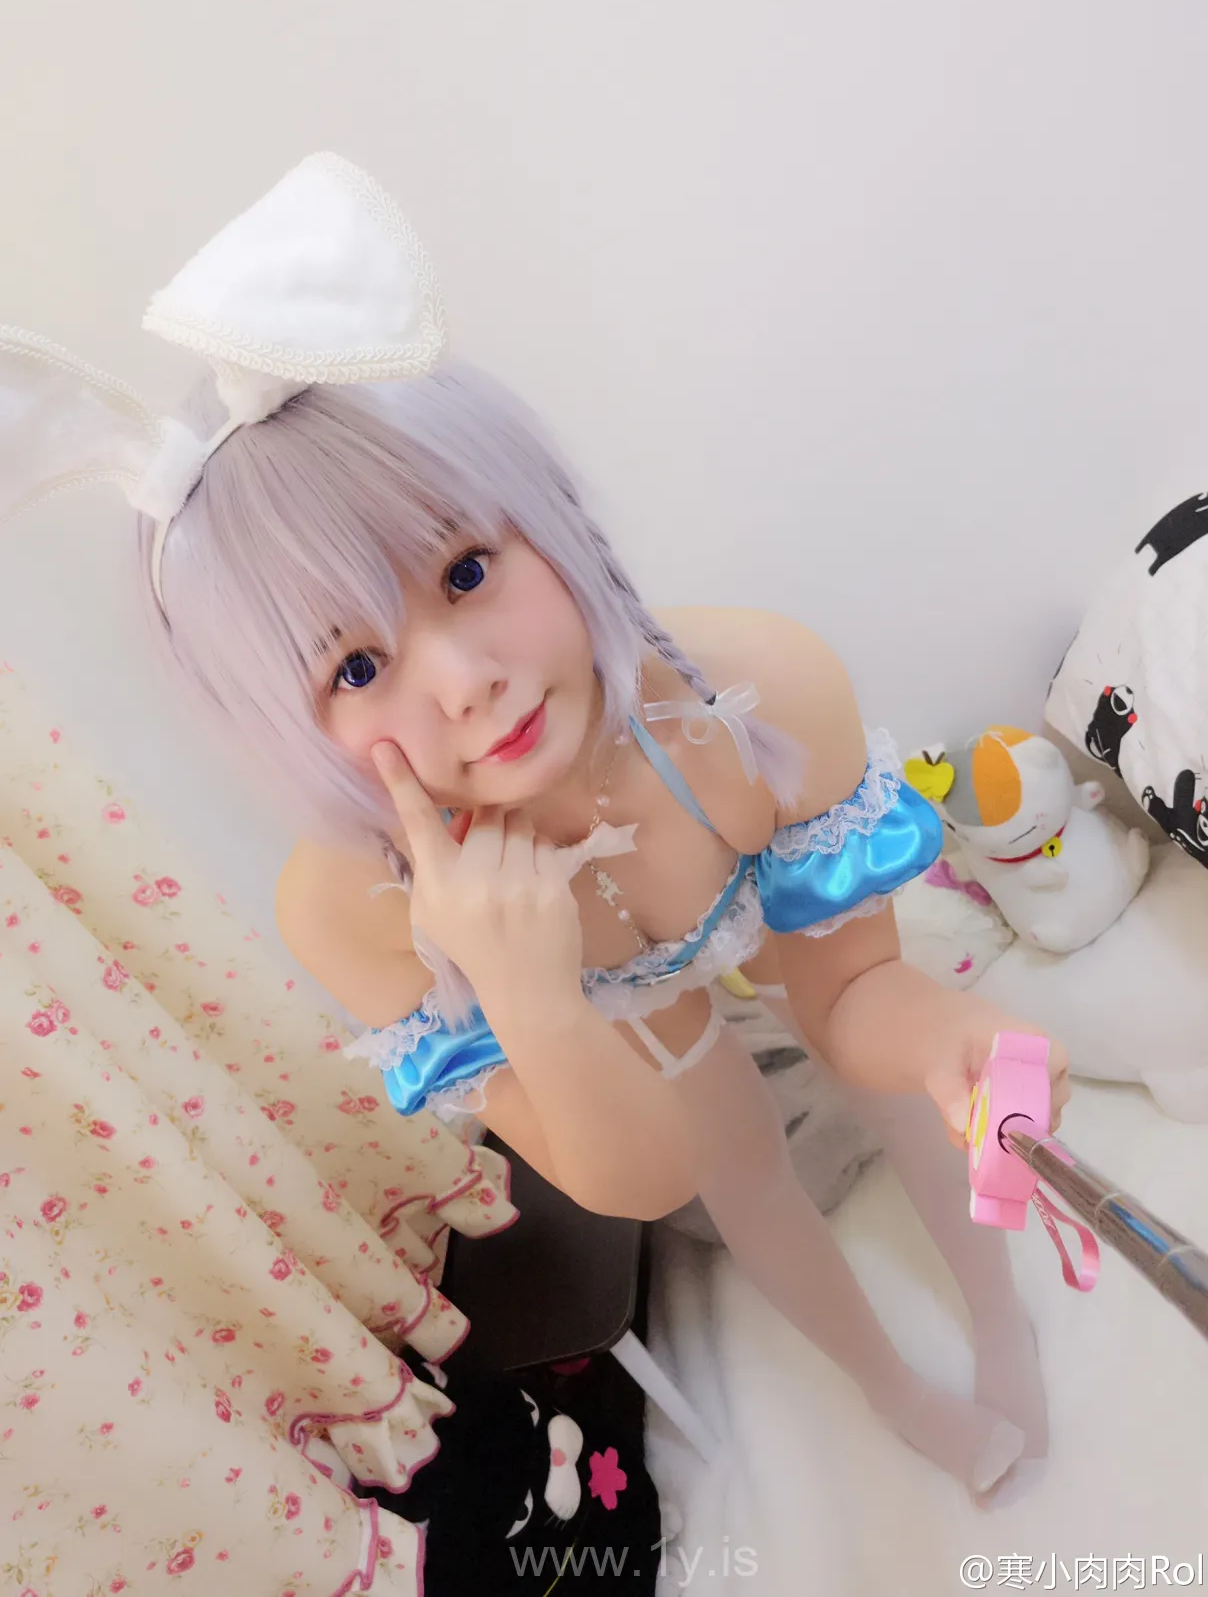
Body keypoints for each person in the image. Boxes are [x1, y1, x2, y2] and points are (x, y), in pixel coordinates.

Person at [0, 153, 1069, 1505]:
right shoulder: (355, 912)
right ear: (285, 728)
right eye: (355, 666)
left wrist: (945, 1036)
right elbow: (651, 1176)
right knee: (740, 1159)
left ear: (543, 514)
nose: (465, 682)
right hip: (604, 1012)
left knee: (896, 1085)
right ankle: (894, 1389)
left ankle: (1002, 1315)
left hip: (725, 843)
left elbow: (853, 993)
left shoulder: (752, 699)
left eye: (466, 569)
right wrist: (528, 992)